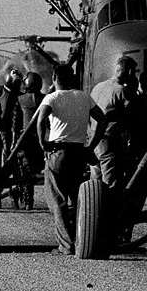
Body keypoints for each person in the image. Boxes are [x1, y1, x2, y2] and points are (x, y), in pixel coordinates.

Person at [37, 68, 107, 255]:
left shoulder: (52, 98)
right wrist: (90, 147)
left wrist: (43, 143)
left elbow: (41, 119)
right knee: (75, 199)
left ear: (54, 78)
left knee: (57, 199)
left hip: (58, 152)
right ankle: (81, 238)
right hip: (79, 152)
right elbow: (102, 120)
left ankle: (66, 245)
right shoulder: (84, 97)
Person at [89, 56, 139, 188]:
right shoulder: (122, 90)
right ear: (129, 72)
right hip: (109, 139)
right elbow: (132, 115)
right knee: (111, 181)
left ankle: (95, 205)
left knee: (95, 180)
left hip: (93, 138)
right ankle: (110, 207)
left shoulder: (98, 87)